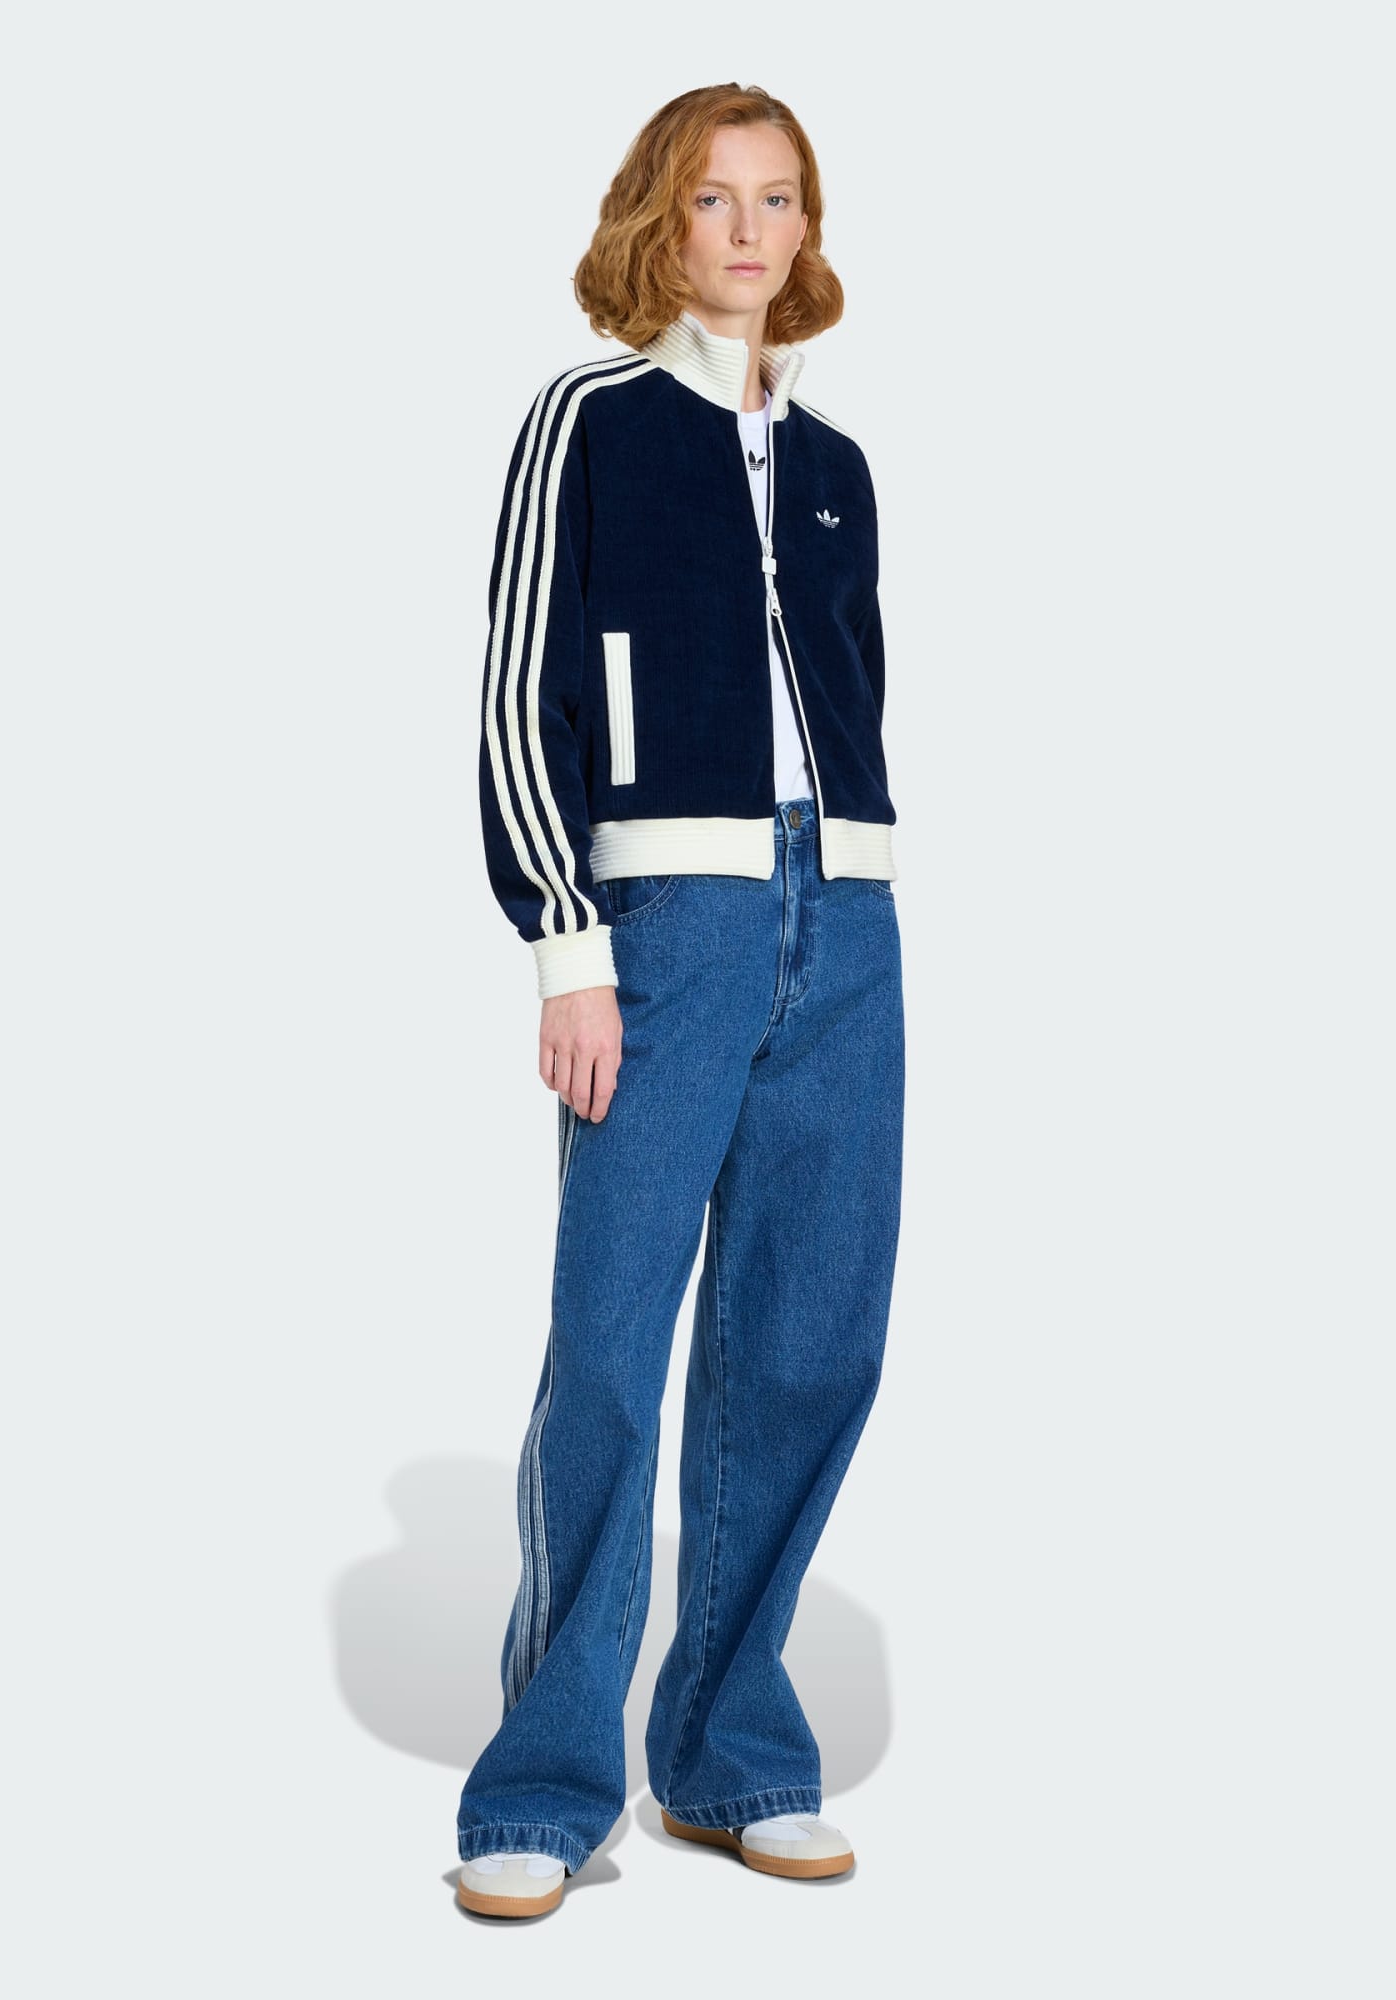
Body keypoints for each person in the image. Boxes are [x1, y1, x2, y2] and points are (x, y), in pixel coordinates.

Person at [455, 82, 905, 1920]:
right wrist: (569, 940)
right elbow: (520, 691)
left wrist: (853, 884)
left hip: (847, 921)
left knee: (809, 1340)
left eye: (778, 200)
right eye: (715, 199)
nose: (749, 231)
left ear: (808, 227)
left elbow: (856, 693)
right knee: (613, 1345)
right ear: (661, 217)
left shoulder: (838, 464)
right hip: (664, 927)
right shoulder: (591, 420)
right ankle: (547, 1784)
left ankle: (731, 1755)